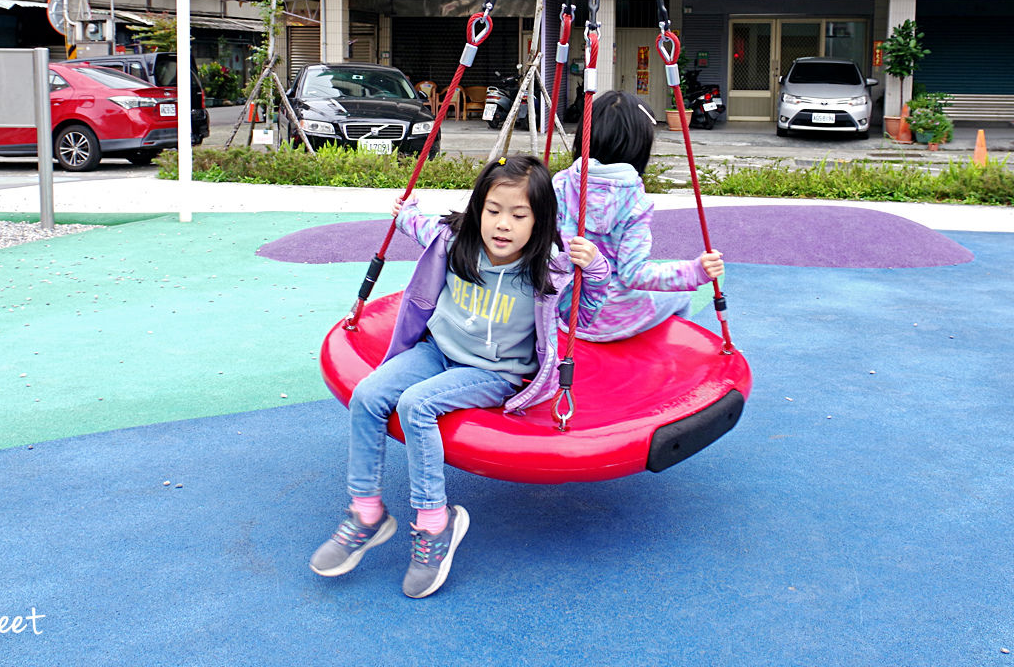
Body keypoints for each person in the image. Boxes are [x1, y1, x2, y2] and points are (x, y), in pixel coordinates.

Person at [310, 154, 608, 598]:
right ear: (478, 210)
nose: (502, 224)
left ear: (540, 220)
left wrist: (596, 269)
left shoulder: (549, 267)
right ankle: (367, 512)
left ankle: (436, 522)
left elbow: (586, 313)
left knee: (417, 405)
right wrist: (405, 214)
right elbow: (423, 229)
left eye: (518, 214)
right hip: (438, 352)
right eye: (493, 211)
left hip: (497, 371)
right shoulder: (456, 242)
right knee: (369, 394)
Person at [553, 90, 724, 341]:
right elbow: (634, 274)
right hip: (615, 319)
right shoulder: (634, 202)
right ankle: (661, 354)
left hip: (566, 312)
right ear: (639, 147)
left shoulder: (560, 184)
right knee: (681, 297)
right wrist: (695, 271)